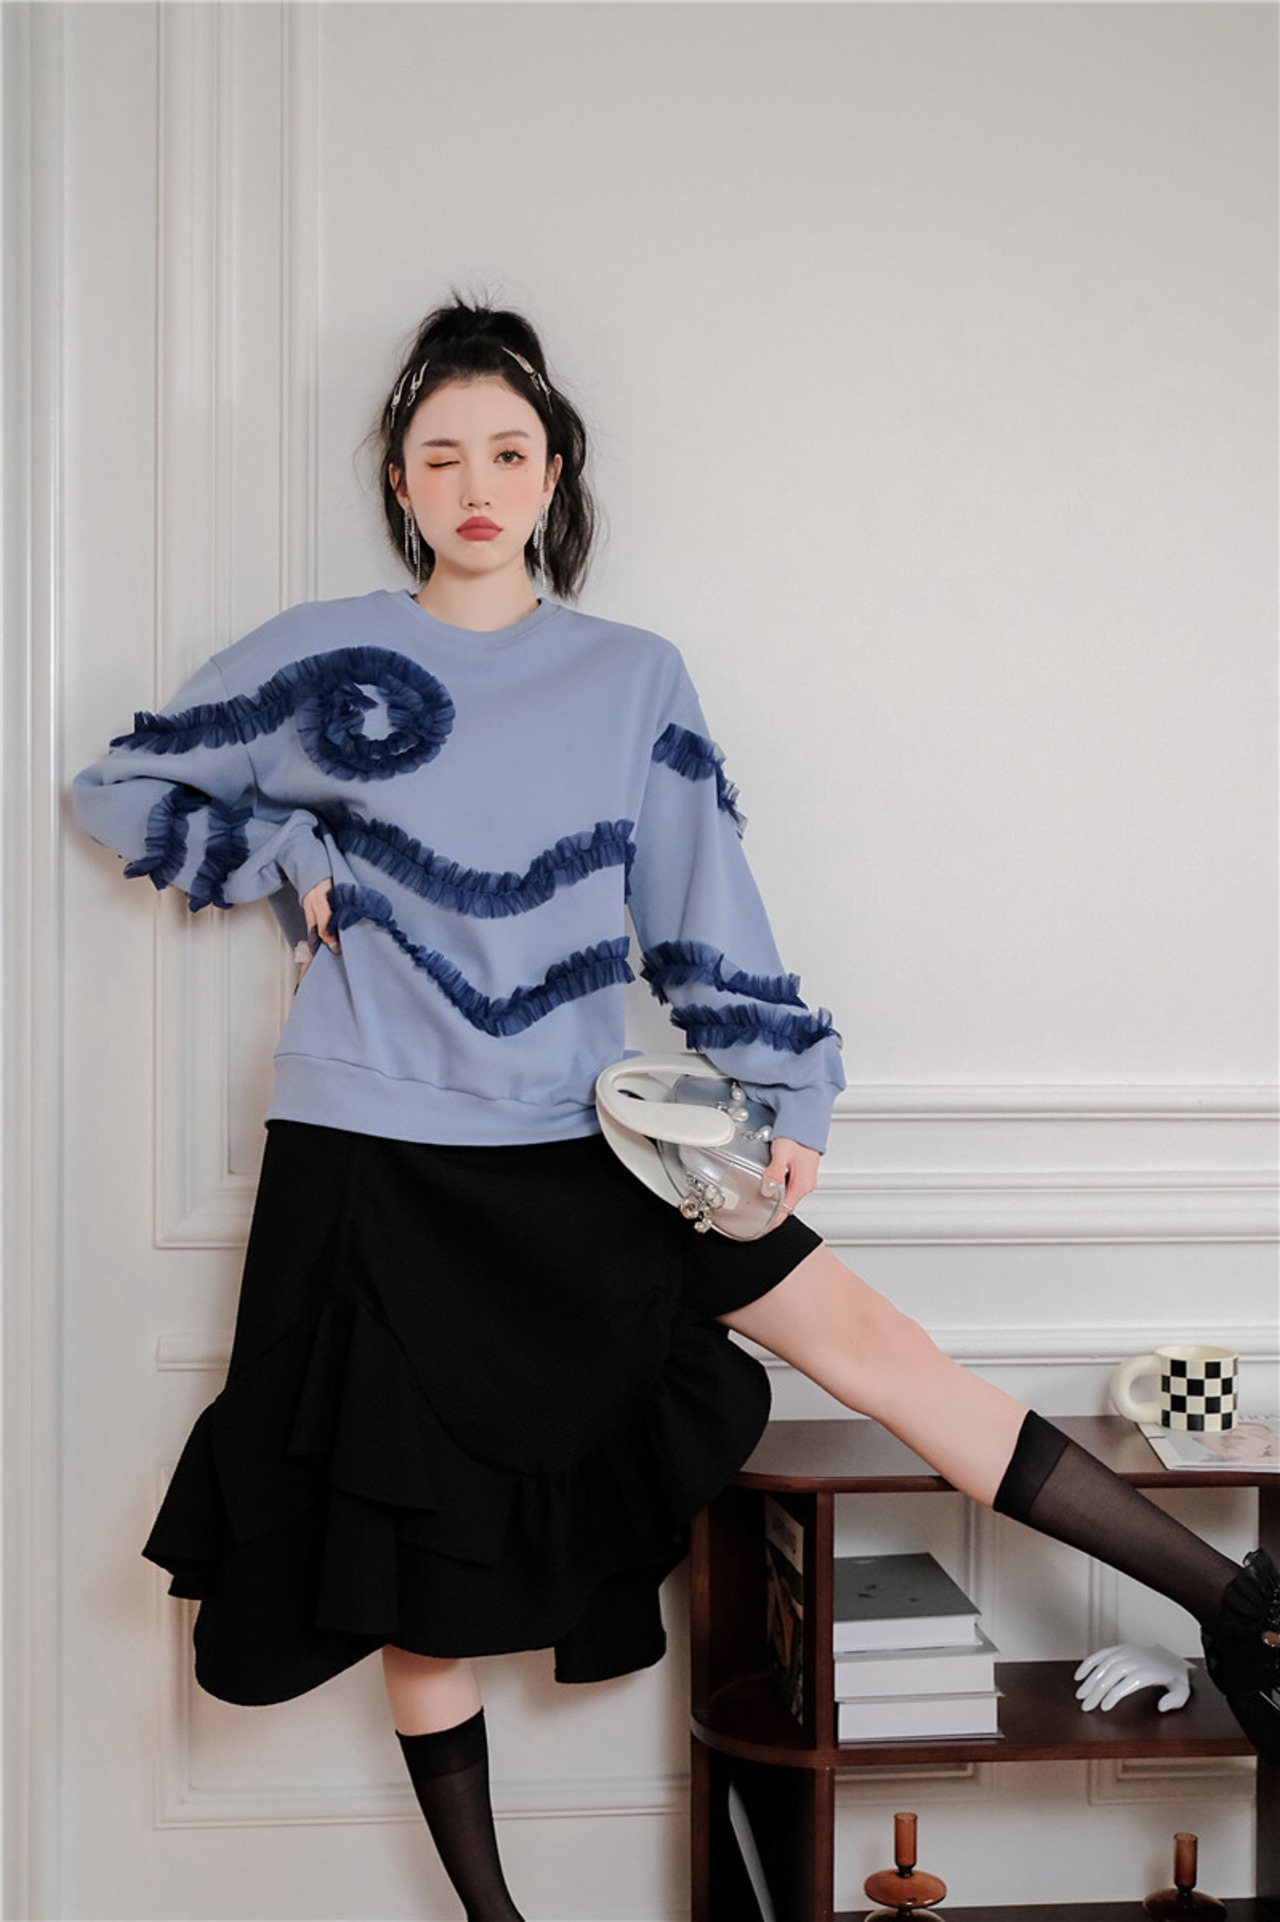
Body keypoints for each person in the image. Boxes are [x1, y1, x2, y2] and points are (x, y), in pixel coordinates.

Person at [72, 295, 1278, 1922]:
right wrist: (284, 854)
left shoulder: (630, 675)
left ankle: (1240, 1607)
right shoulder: (319, 657)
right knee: (419, 1577)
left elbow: (700, 901)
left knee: (877, 1345)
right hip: (370, 1163)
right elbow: (120, 783)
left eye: (509, 451)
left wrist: (789, 1085)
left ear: (553, 473)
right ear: (399, 480)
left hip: (584, 1143)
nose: (477, 483)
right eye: (443, 454)